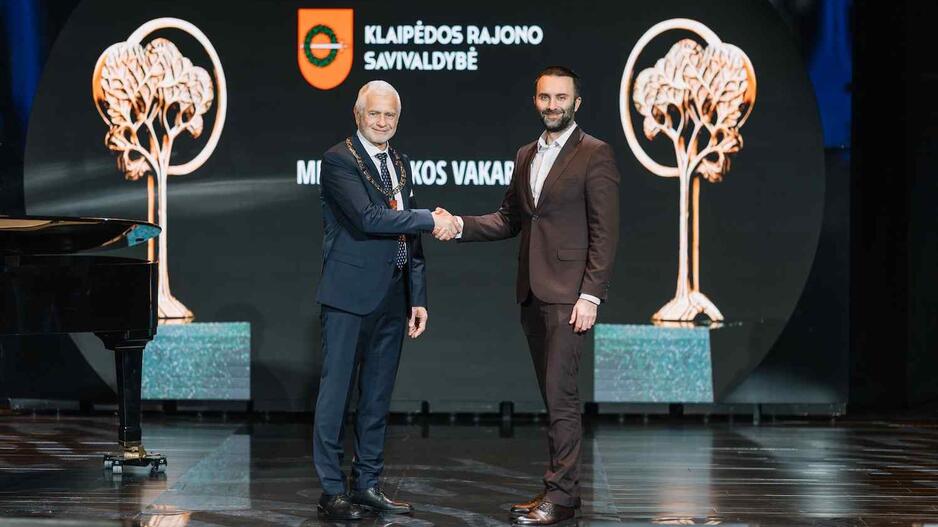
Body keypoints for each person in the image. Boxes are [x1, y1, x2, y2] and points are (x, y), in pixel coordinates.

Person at [436, 66, 620, 525]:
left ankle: (561, 497)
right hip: (533, 294)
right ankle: (560, 491)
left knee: (562, 397)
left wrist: (591, 296)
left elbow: (605, 231)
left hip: (569, 297)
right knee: (552, 396)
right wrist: (458, 225)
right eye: (545, 97)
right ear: (536, 101)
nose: (552, 105)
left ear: (576, 103)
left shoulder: (595, 153)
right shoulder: (526, 154)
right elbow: (509, 218)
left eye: (561, 98)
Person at [313, 80, 459, 520]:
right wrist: (431, 217)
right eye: (374, 113)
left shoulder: (400, 161)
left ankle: (367, 485)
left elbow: (408, 235)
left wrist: (418, 295)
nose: (382, 122)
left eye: (389, 115)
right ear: (358, 115)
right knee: (336, 396)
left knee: (377, 396)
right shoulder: (338, 160)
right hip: (348, 296)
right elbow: (369, 217)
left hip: (393, 296)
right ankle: (331, 491)